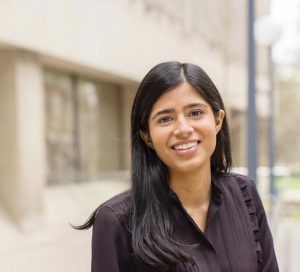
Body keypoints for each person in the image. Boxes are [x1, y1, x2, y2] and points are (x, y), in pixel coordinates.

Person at [77, 61, 279, 271]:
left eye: (195, 113)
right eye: (165, 119)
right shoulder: (116, 221)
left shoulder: (244, 194)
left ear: (218, 121)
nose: (183, 129)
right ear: (147, 136)